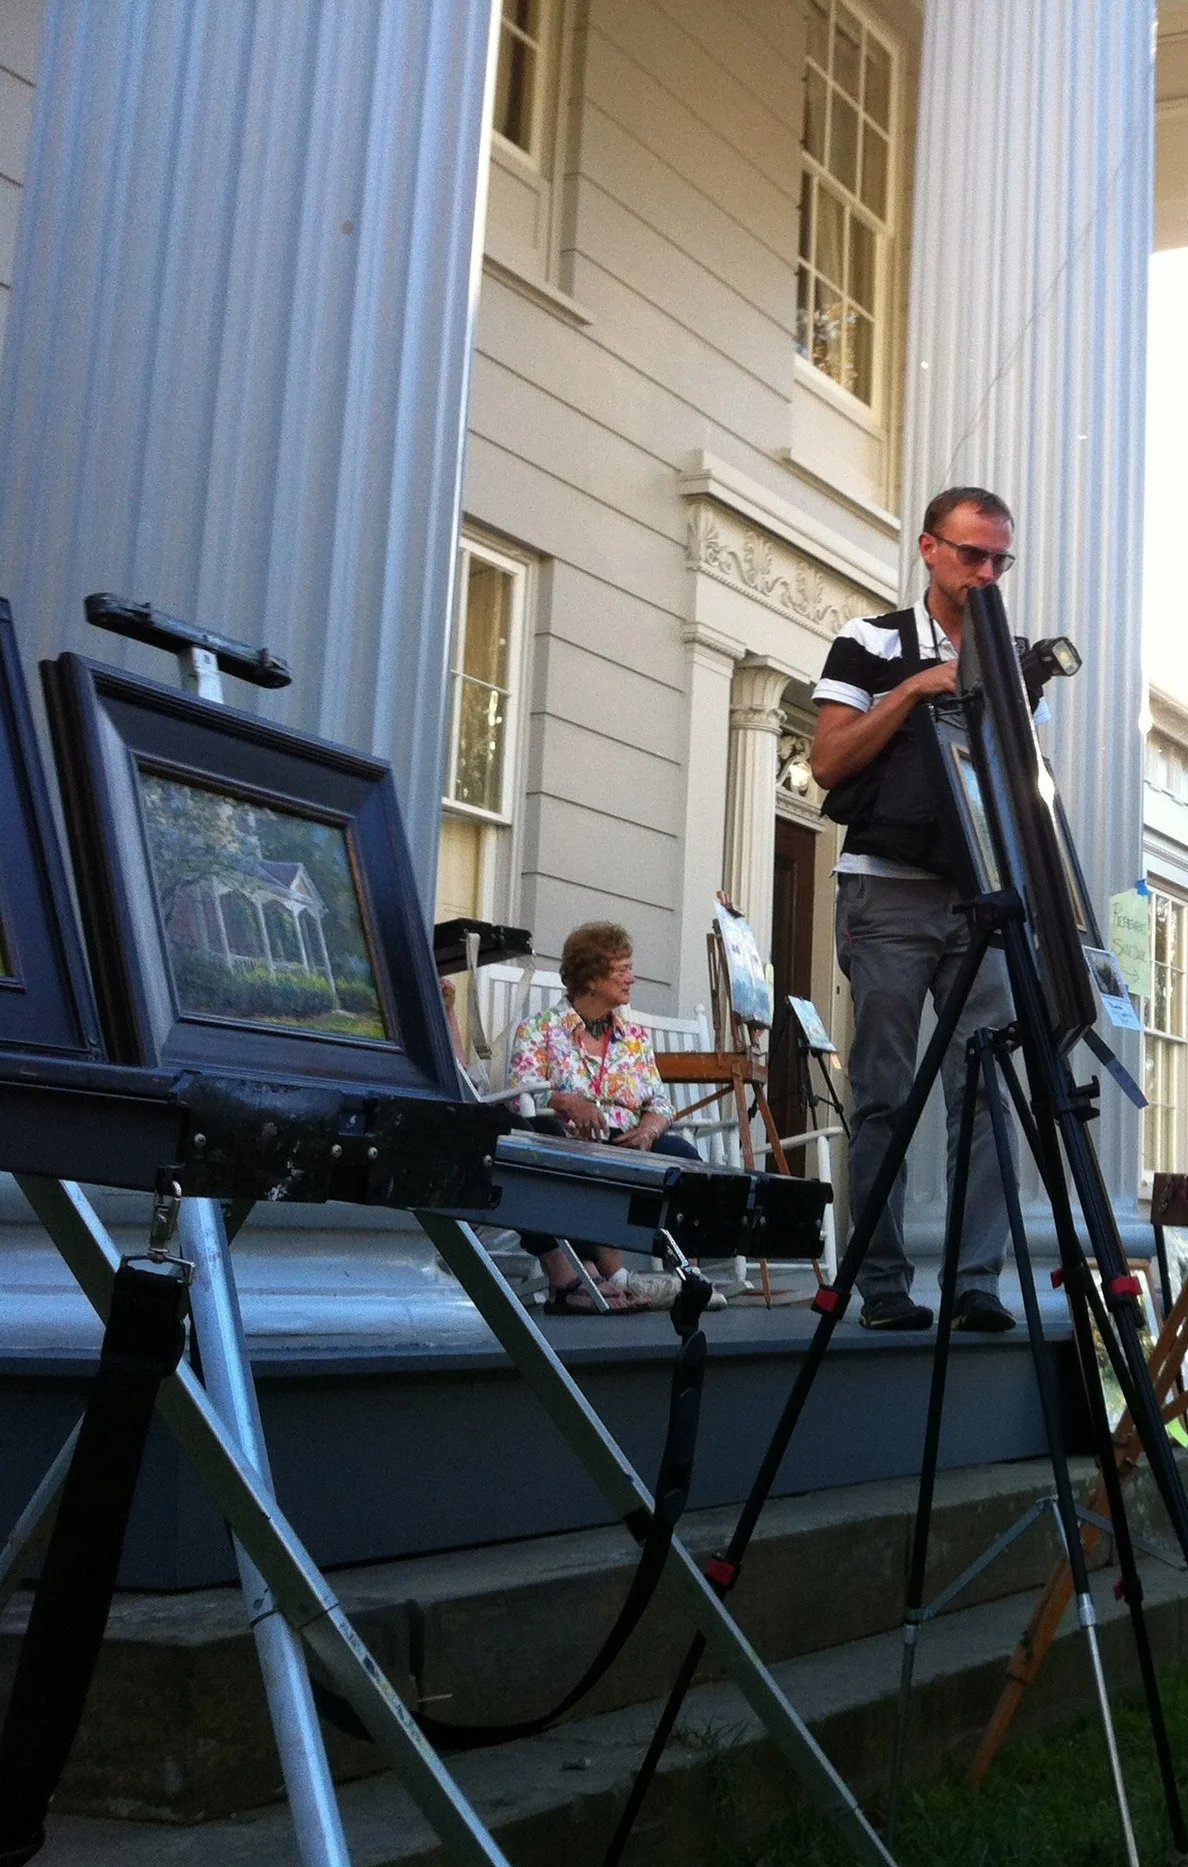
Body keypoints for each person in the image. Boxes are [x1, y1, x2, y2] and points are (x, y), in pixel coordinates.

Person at [810, 486, 1021, 1333]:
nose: (987, 572)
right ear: (929, 549)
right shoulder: (870, 641)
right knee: (884, 1090)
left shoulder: (1010, 655)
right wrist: (911, 692)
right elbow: (827, 762)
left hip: (977, 894)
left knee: (988, 1084)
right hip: (886, 890)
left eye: (1001, 558)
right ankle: (883, 1281)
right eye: (973, 554)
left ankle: (976, 1281)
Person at [509, 921, 725, 1314]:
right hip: (571, 1139)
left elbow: (659, 1101)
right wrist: (569, 1102)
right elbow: (520, 1093)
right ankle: (609, 1276)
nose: (632, 978)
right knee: (554, 1144)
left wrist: (649, 1128)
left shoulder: (635, 1039)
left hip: (629, 1142)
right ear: (591, 978)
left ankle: (688, 1277)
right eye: (622, 969)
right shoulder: (541, 1029)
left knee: (682, 1155)